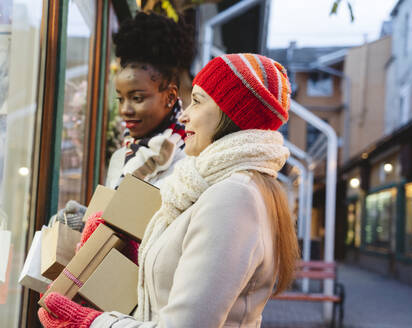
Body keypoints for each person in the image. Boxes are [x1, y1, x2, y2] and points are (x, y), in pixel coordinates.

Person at [38, 53, 300, 328]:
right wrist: (133, 249)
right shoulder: (213, 185)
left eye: (197, 101)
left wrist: (92, 323)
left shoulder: (234, 196)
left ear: (231, 114)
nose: (184, 115)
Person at [49, 12, 194, 231]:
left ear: (170, 96)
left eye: (137, 98)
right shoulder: (122, 156)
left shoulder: (189, 160)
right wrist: (85, 219)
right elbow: (115, 223)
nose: (125, 110)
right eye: (120, 98)